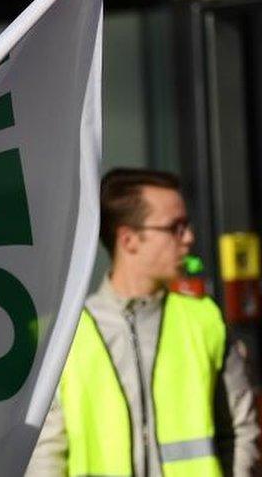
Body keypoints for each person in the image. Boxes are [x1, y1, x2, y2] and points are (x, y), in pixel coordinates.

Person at [27, 168, 260, 476]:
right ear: (129, 240)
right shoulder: (65, 335)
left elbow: (241, 432)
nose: (188, 238)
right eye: (175, 227)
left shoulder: (204, 320)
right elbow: (45, 455)